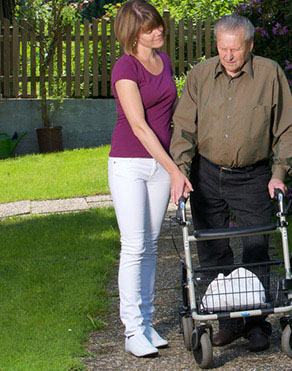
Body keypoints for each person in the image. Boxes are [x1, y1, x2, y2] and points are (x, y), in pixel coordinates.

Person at [169, 14, 292, 352]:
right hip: (207, 173)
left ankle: (257, 325)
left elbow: (287, 129)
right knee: (213, 250)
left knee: (257, 246)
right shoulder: (200, 75)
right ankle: (227, 323)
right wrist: (180, 171)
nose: (228, 56)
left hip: (253, 174)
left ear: (250, 46)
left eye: (235, 49)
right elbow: (184, 127)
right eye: (222, 48)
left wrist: (278, 173)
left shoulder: (270, 74)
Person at [109, 0, 192, 357]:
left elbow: (169, 114)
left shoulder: (164, 61)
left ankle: (146, 322)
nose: (158, 31)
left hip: (161, 164)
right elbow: (141, 128)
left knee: (153, 244)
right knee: (134, 245)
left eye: (158, 25)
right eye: (149, 29)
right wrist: (175, 169)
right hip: (129, 163)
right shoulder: (124, 68)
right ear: (133, 34)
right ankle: (131, 331)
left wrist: (178, 159)